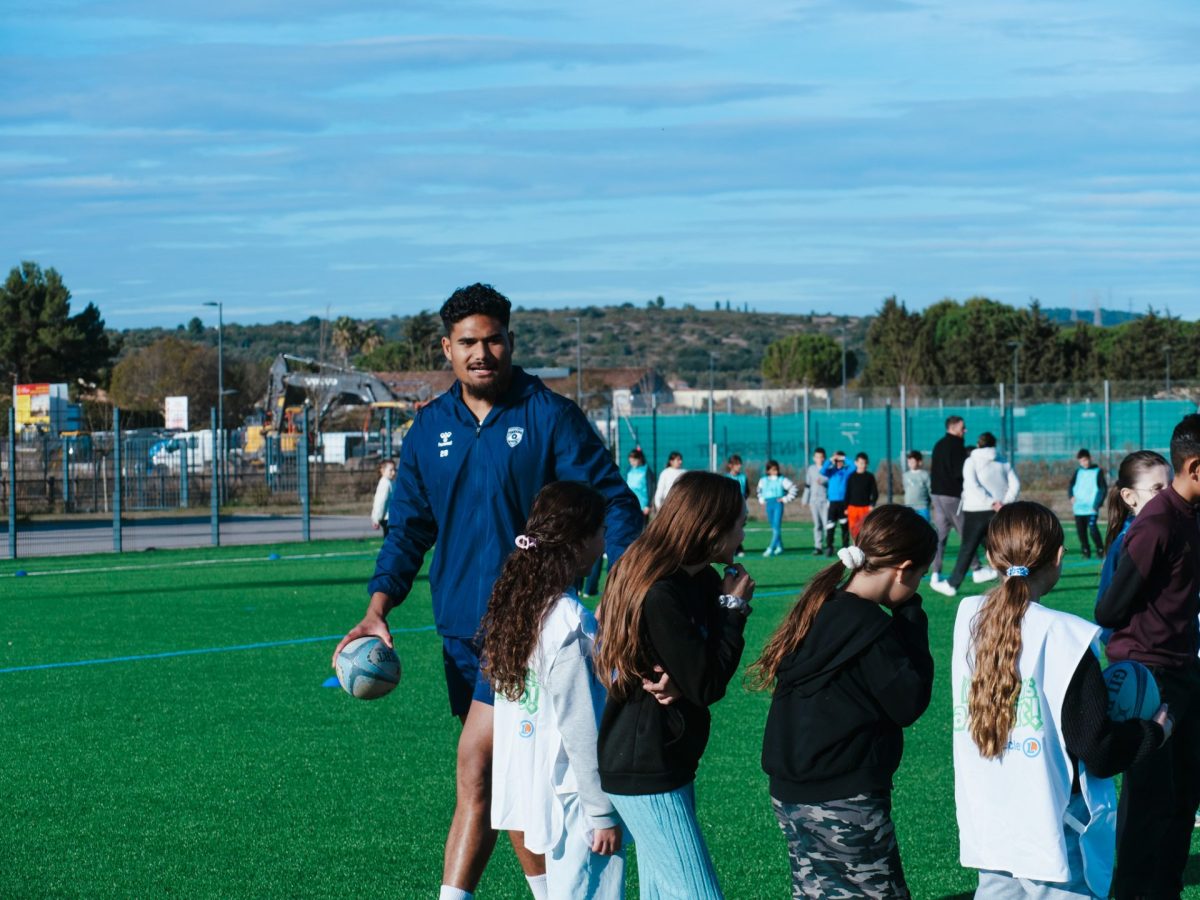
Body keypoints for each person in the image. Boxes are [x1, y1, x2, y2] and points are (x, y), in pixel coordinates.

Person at [331, 284, 644, 900]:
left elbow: (612, 502)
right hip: (460, 633)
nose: (482, 353)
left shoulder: (548, 415)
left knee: (480, 768)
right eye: (468, 342)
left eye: (493, 339)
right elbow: (409, 530)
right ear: (446, 348)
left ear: (510, 342)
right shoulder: (427, 430)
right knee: (509, 780)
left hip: (531, 630)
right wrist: (377, 607)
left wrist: (622, 590)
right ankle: (554, 894)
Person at [953, 502, 1170, 899]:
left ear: (989, 557)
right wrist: (1151, 733)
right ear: (1058, 557)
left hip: (989, 825)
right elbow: (1098, 750)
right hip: (1052, 829)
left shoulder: (968, 619)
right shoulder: (1065, 637)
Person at [751, 505, 937, 899]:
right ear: (903, 569)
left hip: (789, 790)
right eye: (919, 575)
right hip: (844, 795)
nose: (917, 584)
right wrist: (909, 615)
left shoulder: (820, 606)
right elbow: (909, 703)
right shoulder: (872, 629)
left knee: (816, 892)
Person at [596, 472, 755, 900]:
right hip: (645, 764)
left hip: (670, 756)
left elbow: (695, 675)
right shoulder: (660, 588)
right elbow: (708, 684)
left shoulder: (697, 578)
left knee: (663, 894)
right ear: (709, 527)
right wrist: (734, 608)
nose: (744, 528)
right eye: (738, 521)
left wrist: (686, 678)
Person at [482, 482, 625, 899]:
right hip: (575, 798)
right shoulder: (569, 623)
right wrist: (601, 811)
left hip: (536, 786)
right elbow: (582, 728)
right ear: (577, 542)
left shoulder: (519, 606)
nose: (604, 544)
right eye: (600, 532)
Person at [1095, 415, 1200, 899]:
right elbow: (1109, 608)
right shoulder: (1156, 523)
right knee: (1149, 803)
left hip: (1184, 673)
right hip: (1149, 678)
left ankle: (1164, 890)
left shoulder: (1188, 518)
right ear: (1195, 468)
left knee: (1182, 798)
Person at [930, 432, 1018, 598]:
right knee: (996, 548)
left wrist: (990, 501)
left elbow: (971, 484)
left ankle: (952, 584)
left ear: (978, 444)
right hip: (997, 512)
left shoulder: (971, 461)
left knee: (968, 548)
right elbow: (1015, 484)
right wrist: (1003, 503)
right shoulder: (1003, 461)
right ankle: (1014, 580)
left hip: (975, 511)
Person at [1094, 450, 1170, 618]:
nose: (1169, 494)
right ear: (1129, 496)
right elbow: (1105, 615)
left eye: (1171, 486)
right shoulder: (1123, 545)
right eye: (1157, 489)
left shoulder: (1179, 532)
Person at [930, 416, 981, 589]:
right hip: (952, 496)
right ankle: (977, 568)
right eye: (962, 427)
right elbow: (960, 473)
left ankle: (935, 574)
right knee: (967, 532)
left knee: (940, 536)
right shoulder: (957, 446)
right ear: (953, 427)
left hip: (936, 495)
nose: (965, 430)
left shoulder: (938, 445)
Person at [1068, 449, 1108, 560]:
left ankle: (1100, 549)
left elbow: (1103, 489)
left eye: (1085, 460)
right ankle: (1085, 550)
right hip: (1078, 508)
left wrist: (1097, 504)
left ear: (1090, 458)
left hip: (1091, 508)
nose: (1083, 463)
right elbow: (1071, 485)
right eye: (1081, 461)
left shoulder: (1097, 471)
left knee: (1092, 528)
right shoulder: (1078, 472)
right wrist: (1071, 496)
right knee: (1081, 531)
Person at [756, 459, 798, 557]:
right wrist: (761, 499)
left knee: (776, 527)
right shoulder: (763, 480)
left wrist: (785, 498)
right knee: (773, 526)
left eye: (776, 469)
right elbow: (759, 491)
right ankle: (780, 546)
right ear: (768, 470)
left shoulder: (782, 479)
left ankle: (770, 548)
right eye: (773, 469)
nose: (775, 471)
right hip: (768, 504)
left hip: (778, 504)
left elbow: (794, 489)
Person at [821, 450, 853, 555]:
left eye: (840, 460)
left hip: (843, 503)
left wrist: (843, 457)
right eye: (837, 460)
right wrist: (830, 460)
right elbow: (822, 471)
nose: (838, 462)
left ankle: (845, 546)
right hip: (832, 503)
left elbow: (854, 467)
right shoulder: (831, 472)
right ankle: (829, 547)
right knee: (831, 525)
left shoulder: (847, 471)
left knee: (844, 525)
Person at [801, 448, 830, 556]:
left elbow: (831, 482)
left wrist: (824, 481)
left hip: (825, 501)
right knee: (817, 525)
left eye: (822, 457)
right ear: (814, 458)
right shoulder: (811, 469)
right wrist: (805, 499)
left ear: (825, 458)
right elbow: (808, 485)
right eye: (817, 457)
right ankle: (818, 546)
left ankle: (829, 545)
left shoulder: (828, 469)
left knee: (826, 524)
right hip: (814, 501)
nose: (819, 459)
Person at [844, 452, 879, 540]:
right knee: (853, 529)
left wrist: (872, 504)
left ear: (867, 463)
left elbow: (875, 492)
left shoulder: (870, 476)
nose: (862, 465)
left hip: (865, 508)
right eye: (860, 463)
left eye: (865, 463)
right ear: (856, 463)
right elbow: (847, 493)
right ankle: (855, 546)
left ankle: (863, 548)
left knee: (864, 529)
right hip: (852, 508)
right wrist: (845, 508)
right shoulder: (851, 477)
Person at [724, 454, 749, 558]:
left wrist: (742, 501)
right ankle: (734, 549)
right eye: (736, 464)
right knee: (730, 529)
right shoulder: (726, 478)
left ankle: (738, 548)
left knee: (738, 528)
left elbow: (747, 491)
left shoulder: (743, 477)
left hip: (741, 507)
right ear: (730, 465)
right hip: (730, 508)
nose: (739, 466)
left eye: (740, 464)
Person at [625, 448, 653, 526]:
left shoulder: (646, 470)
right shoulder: (629, 469)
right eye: (630, 461)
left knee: (643, 528)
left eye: (634, 461)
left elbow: (650, 488)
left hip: (643, 505)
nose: (632, 463)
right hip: (630, 503)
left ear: (640, 459)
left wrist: (648, 505)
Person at [370, 457, 396, 537]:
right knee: (390, 541)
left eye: (394, 470)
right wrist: (376, 519)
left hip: (390, 517)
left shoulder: (390, 482)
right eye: (391, 470)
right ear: (382, 471)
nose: (393, 472)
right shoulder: (385, 483)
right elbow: (380, 502)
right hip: (387, 518)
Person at [902, 450, 931, 522]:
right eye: (909, 462)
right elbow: (905, 488)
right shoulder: (905, 475)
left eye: (912, 462)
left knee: (924, 527)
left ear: (919, 462)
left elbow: (930, 489)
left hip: (923, 506)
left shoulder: (925, 474)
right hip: (909, 506)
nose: (910, 464)